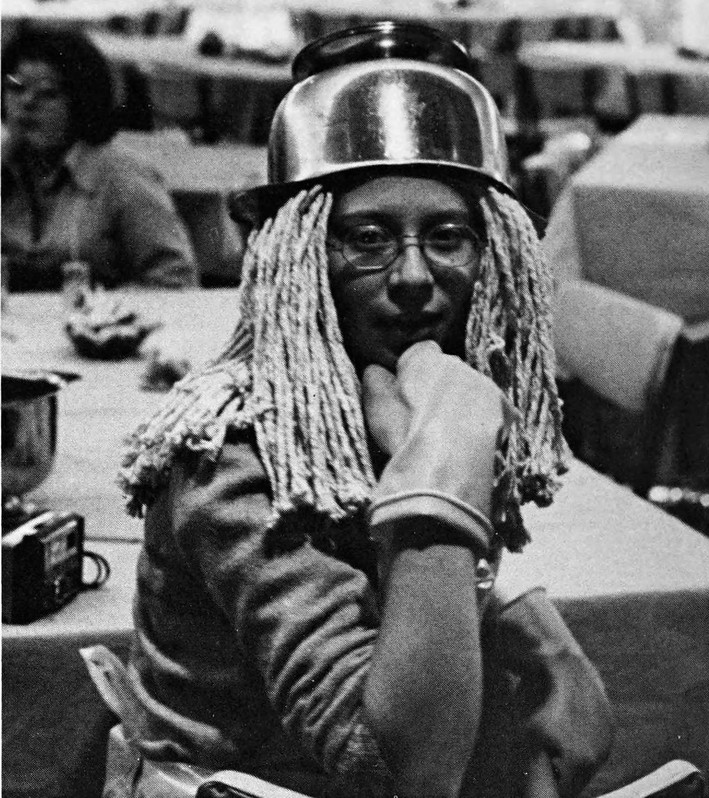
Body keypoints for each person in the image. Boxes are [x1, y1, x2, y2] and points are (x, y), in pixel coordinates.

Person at [84, 22, 613, 798]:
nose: (413, 276)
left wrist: (535, 633)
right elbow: (401, 768)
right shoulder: (238, 453)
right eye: (367, 238)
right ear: (299, 256)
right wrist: (441, 483)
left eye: (448, 236)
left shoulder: (395, 396)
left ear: (494, 254)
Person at [1, 27, 198, 292]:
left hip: (103, 314)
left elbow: (177, 281)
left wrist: (111, 305)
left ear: (82, 101)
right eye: (15, 88)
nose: (27, 102)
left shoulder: (124, 178)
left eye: (48, 93)